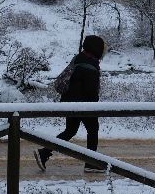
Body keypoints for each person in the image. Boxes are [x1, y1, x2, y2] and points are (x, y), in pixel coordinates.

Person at [36, 34, 106, 173]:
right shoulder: (90, 66)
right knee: (93, 130)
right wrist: (95, 106)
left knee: (70, 131)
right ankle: (91, 163)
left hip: (70, 102)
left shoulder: (79, 59)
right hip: (83, 105)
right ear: (96, 48)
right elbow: (91, 91)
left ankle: (44, 153)